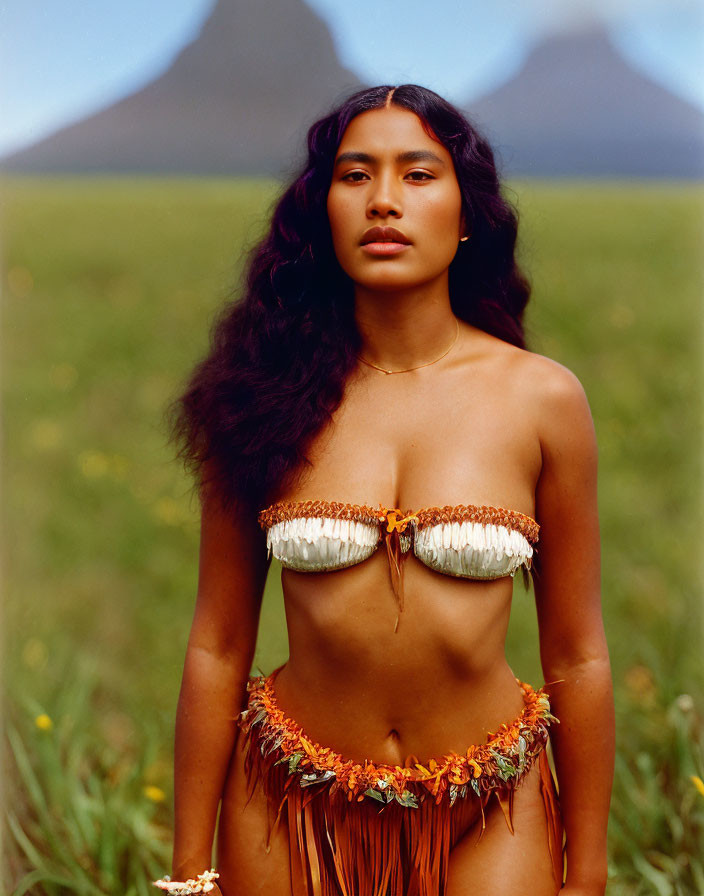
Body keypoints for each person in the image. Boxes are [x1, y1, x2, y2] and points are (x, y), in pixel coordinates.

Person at [159, 84, 614, 896]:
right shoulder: (259, 395)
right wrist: (190, 870)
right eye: (355, 175)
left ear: (466, 212)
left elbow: (577, 656)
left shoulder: (542, 400)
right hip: (287, 803)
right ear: (321, 210)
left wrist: (588, 870)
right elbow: (217, 643)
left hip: (491, 808)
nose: (383, 202)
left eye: (418, 174)